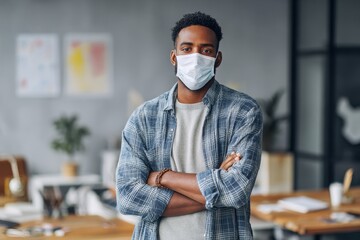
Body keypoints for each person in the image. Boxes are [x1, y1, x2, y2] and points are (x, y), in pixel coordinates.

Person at [116, 11, 263, 240]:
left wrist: (162, 177)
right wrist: (214, 191)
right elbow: (127, 197)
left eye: (206, 50)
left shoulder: (242, 111)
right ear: (174, 57)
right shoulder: (144, 118)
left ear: (218, 58)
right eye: (187, 49)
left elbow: (236, 190)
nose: (196, 57)